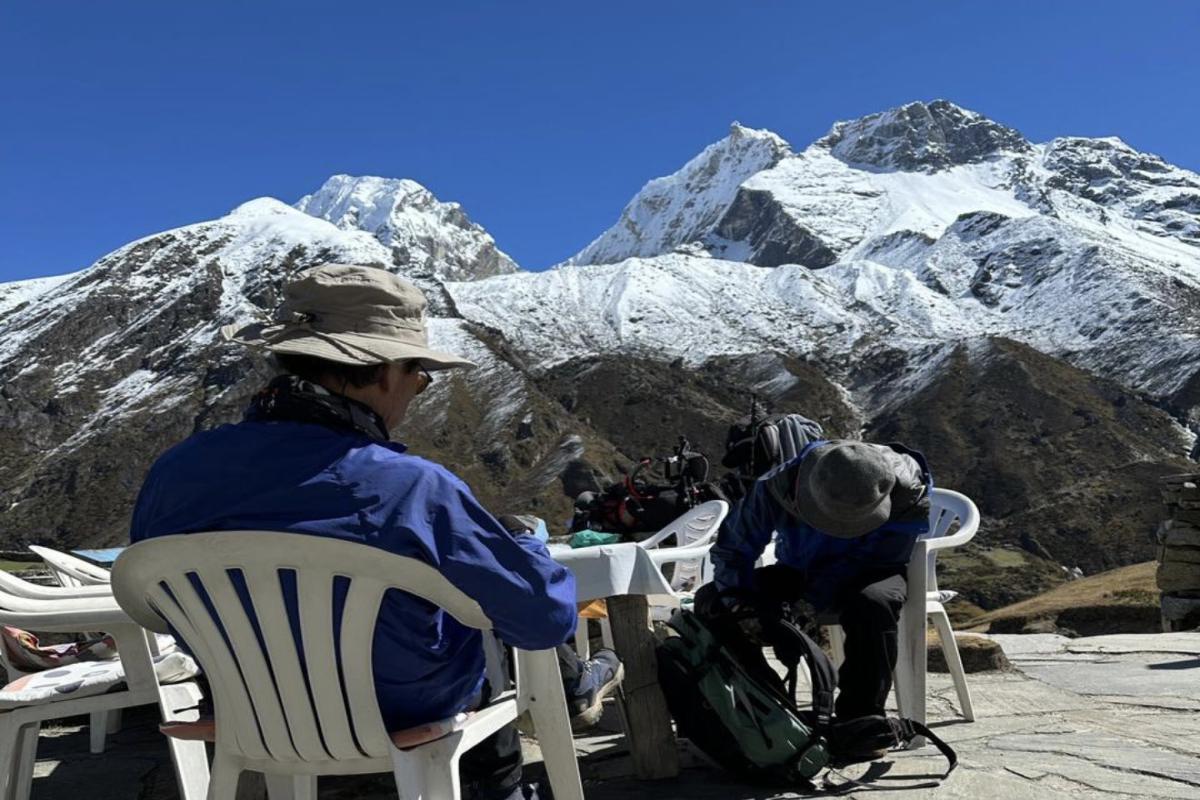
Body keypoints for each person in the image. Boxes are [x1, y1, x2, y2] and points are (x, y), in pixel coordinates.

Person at [130, 263, 622, 800]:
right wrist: (524, 547)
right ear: (385, 370)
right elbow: (543, 621)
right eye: (420, 374)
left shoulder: (174, 471)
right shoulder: (410, 487)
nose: (418, 390)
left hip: (250, 710)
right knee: (484, 664)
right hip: (406, 712)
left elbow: (155, 601)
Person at [704, 437, 931, 720]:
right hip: (801, 568)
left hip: (873, 570)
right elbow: (733, 549)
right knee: (712, 601)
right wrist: (740, 604)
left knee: (873, 604)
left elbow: (883, 557)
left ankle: (861, 718)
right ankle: (768, 708)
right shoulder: (777, 485)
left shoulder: (908, 494)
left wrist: (811, 601)